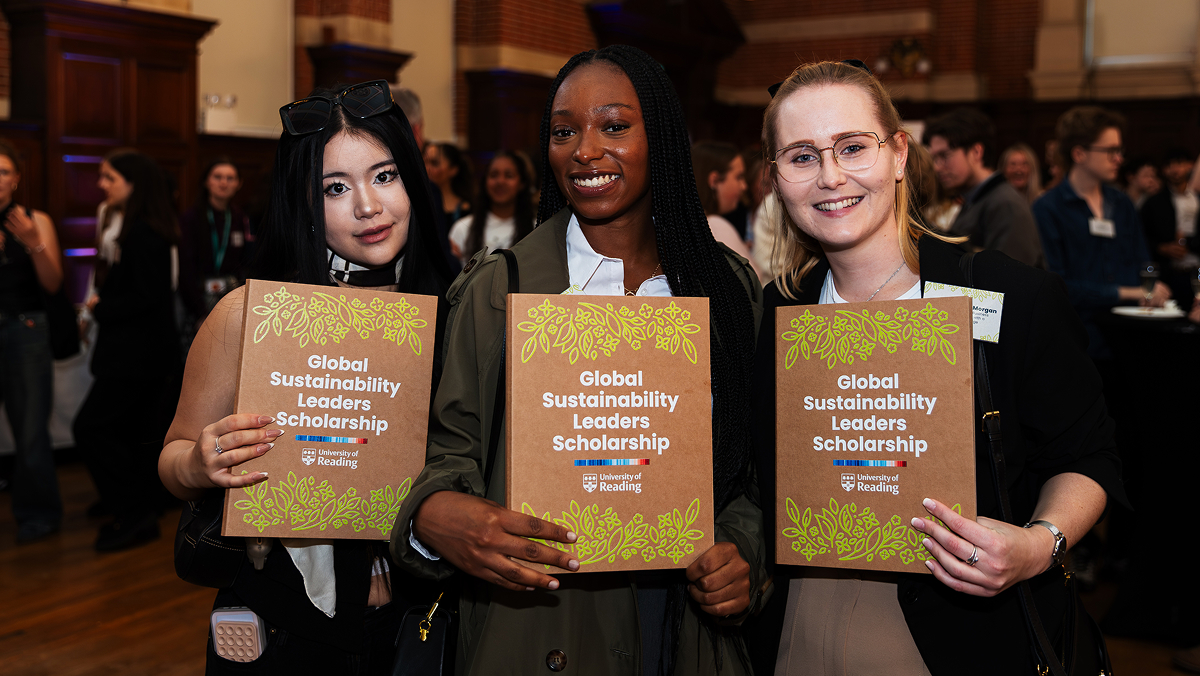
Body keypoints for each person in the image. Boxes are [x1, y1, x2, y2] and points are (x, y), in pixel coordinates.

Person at [391, 44, 766, 675]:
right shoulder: (501, 289)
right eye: (564, 132)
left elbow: (752, 470)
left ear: (663, 138)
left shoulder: (725, 290)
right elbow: (445, 456)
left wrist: (743, 552)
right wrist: (435, 515)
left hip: (685, 626)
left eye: (614, 126)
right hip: (540, 623)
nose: (585, 150)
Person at [753, 60, 1126, 675]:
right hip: (800, 629)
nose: (830, 176)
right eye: (801, 157)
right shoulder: (777, 313)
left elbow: (1088, 457)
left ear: (899, 154)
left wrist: (1037, 544)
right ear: (777, 178)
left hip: (963, 636)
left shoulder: (1009, 296)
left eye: (852, 147)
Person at [158, 80, 453, 674]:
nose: (368, 206)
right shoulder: (254, 316)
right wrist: (199, 463)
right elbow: (173, 458)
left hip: (423, 621)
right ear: (304, 202)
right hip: (286, 626)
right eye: (336, 189)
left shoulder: (454, 311)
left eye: (385, 176)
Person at [76, 151, 182, 551]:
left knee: (91, 429)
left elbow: (145, 298)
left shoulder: (144, 233)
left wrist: (101, 307)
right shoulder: (141, 227)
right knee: (135, 432)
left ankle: (133, 512)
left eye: (110, 178)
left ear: (133, 184)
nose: (103, 185)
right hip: (138, 356)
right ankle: (136, 505)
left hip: (135, 358)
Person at [1032, 106, 1170, 362]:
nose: (1119, 158)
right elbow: (1059, 285)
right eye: (1110, 151)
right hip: (1080, 341)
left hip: (1131, 334)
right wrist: (1129, 292)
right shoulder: (1049, 208)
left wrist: (1152, 291)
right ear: (1079, 153)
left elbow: (1143, 263)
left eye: (1120, 150)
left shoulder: (1121, 203)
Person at [0, 140, 64, 543]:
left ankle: (38, 515)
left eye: (4, 171)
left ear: (16, 178)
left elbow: (54, 282)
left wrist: (32, 241)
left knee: (30, 431)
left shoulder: (35, 218)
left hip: (26, 331)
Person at [926, 108, 1044, 267]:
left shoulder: (1005, 204)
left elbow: (1012, 279)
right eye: (934, 158)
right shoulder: (977, 198)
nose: (937, 167)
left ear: (976, 152)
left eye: (944, 156)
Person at [178, 157, 254, 332]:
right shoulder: (191, 218)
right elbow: (186, 269)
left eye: (230, 178)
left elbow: (246, 262)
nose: (223, 183)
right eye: (217, 177)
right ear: (206, 181)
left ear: (239, 183)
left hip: (230, 300)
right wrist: (200, 313)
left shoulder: (240, 218)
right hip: (197, 302)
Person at [692, 140, 765, 281]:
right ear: (714, 181)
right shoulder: (713, 224)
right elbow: (754, 281)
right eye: (738, 177)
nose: (743, 186)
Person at [447, 150, 534, 262]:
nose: (500, 181)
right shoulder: (463, 229)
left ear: (522, 183)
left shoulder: (535, 230)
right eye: (494, 175)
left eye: (509, 176)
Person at [1140, 148, 1200, 304]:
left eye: (1180, 163)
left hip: (1196, 271)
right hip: (1168, 274)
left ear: (1190, 165)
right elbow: (1140, 237)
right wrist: (1162, 248)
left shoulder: (1197, 199)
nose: (1175, 169)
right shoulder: (1154, 202)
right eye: (1170, 165)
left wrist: (1188, 241)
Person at [423, 141, 473, 223]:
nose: (426, 168)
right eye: (423, 162)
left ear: (453, 170)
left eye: (434, 163)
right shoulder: (417, 203)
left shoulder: (465, 209)